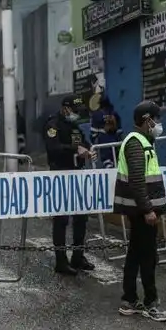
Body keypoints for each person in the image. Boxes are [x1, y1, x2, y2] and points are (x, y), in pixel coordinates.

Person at [114, 100, 166, 322]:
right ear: (147, 120)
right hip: (141, 211)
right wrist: (148, 210)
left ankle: (129, 300)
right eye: (156, 119)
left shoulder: (143, 141)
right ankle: (150, 303)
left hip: (140, 209)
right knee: (147, 256)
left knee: (136, 254)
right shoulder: (136, 143)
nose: (159, 123)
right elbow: (137, 181)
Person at [44, 94, 97, 275]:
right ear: (65, 108)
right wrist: (76, 149)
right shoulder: (53, 125)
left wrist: (90, 151)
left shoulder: (74, 126)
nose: (76, 114)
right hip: (60, 174)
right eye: (74, 111)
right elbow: (53, 148)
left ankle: (78, 256)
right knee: (61, 219)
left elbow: (85, 142)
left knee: (81, 217)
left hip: (77, 175)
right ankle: (61, 261)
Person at [91, 95, 124, 168]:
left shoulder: (97, 115)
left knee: (107, 162)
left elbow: (93, 133)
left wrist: (93, 144)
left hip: (103, 142)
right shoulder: (114, 114)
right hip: (116, 142)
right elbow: (120, 132)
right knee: (117, 162)